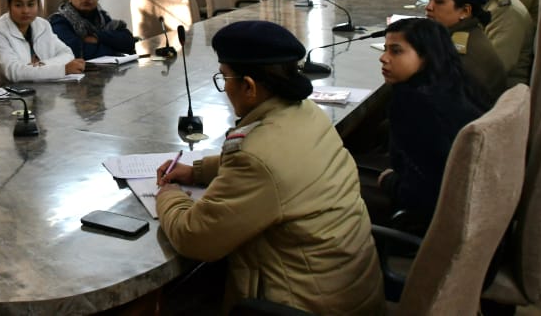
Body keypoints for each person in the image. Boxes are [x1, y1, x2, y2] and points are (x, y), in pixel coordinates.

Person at [155, 21, 383, 315]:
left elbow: (195, 237)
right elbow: (275, 167)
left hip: (302, 306)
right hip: (350, 295)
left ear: (249, 86)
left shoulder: (257, 155)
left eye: (224, 77)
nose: (224, 87)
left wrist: (169, 196)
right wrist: (196, 171)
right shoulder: (306, 112)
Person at [371, 18, 483, 234]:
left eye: (396, 51)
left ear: (426, 56)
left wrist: (390, 182)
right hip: (473, 211)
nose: (383, 58)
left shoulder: (414, 103)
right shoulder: (456, 82)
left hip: (431, 222)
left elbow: (425, 191)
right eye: (385, 49)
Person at [426, 0, 507, 110]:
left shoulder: (460, 54)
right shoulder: (460, 34)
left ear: (465, 11)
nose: (428, 7)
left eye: (439, 1)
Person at [0, 0, 85, 85]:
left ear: (38, 4)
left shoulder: (43, 25)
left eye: (31, 4)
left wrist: (39, 65)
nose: (25, 10)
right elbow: (14, 72)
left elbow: (67, 54)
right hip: (4, 92)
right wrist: (62, 69)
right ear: (9, 6)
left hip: (39, 88)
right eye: (18, 5)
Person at [49, 0, 136, 59]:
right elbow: (76, 51)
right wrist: (114, 46)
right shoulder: (58, 21)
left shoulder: (101, 18)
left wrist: (97, 37)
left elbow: (129, 41)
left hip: (109, 67)